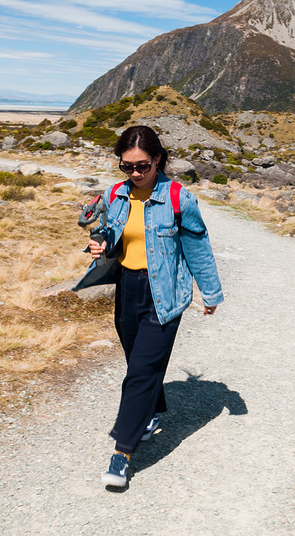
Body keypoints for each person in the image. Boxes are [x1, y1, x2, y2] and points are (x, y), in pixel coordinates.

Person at [80, 125, 223, 488]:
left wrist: (210, 293)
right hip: (128, 289)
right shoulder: (116, 194)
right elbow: (112, 236)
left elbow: (198, 248)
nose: (135, 173)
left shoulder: (178, 198)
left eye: (142, 165)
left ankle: (122, 452)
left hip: (165, 294)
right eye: (127, 167)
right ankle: (153, 411)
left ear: (158, 159)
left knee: (140, 371)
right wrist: (100, 246)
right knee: (138, 360)